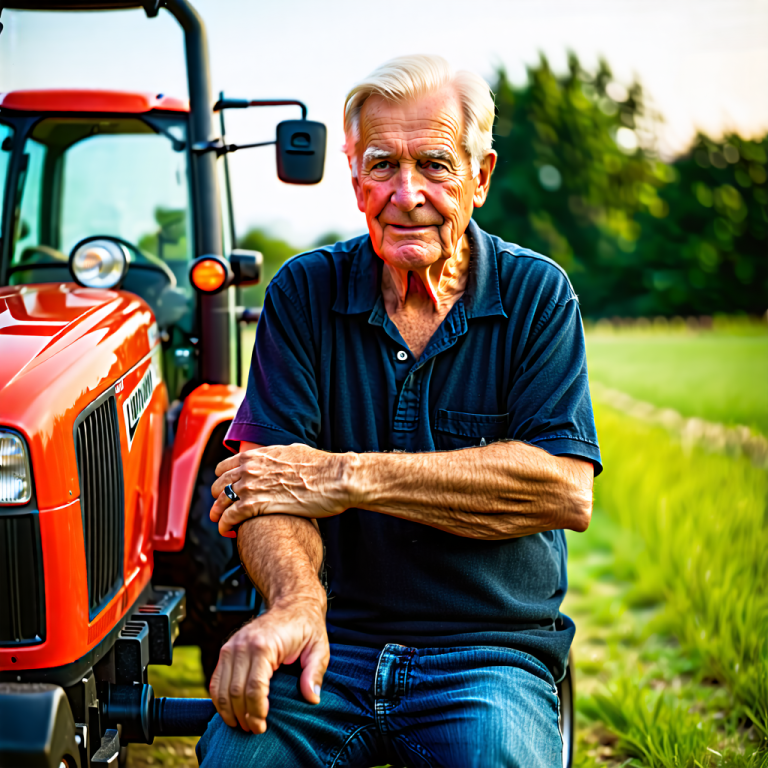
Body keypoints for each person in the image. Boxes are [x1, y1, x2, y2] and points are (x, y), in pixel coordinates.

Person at [196, 54, 602, 768]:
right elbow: (265, 485)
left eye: (436, 165)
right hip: (329, 646)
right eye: (382, 164)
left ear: (481, 176)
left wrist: (346, 477)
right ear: (354, 176)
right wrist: (295, 605)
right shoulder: (304, 292)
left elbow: (561, 488)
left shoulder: (539, 295)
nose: (405, 192)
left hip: (489, 658)